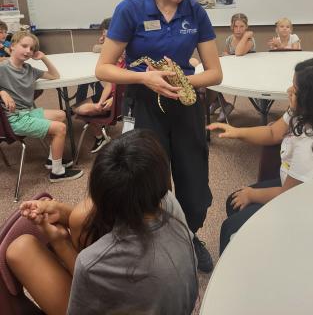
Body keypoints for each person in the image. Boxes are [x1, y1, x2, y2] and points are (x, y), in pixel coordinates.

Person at [95, 0, 222, 272]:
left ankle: (190, 235)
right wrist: (145, 78)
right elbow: (103, 68)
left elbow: (215, 73)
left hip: (185, 102)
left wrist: (178, 81)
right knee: (147, 180)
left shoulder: (196, 12)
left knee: (193, 181)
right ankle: (152, 243)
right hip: (145, 103)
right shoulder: (131, 8)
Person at [6, 129, 198, 315]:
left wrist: (61, 242)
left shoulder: (92, 263)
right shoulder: (169, 201)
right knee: (79, 216)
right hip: (176, 302)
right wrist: (64, 213)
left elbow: (82, 305)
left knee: (20, 249)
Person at [208, 55, 313, 254]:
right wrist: (237, 131)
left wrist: (252, 194)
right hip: (293, 184)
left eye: (295, 91)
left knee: (230, 227)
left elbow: (289, 195)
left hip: (305, 206)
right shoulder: (307, 112)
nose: (289, 91)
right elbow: (273, 132)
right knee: (234, 202)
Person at [0, 31, 83, 182]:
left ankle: (52, 160)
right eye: (24, 46)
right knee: (60, 128)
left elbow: (54, 76)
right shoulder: (3, 68)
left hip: (26, 112)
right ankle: (57, 173)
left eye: (31, 49)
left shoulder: (29, 70)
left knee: (61, 115)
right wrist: (2, 92)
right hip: (13, 119)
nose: (28, 51)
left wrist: (43, 58)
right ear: (12, 46)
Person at [210, 13, 256, 122]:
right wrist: (227, 55)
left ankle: (222, 104)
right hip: (233, 69)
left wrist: (245, 36)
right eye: (236, 26)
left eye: (242, 27)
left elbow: (239, 53)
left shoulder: (249, 40)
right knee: (213, 75)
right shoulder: (229, 39)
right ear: (231, 27)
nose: (238, 29)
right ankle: (220, 102)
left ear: (246, 27)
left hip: (246, 72)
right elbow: (229, 54)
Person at [74, 17, 112, 105]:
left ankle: (78, 105)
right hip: (108, 78)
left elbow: (96, 48)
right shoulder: (109, 41)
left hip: (110, 81)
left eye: (104, 31)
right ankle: (78, 105)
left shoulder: (117, 44)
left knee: (86, 79)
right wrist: (103, 42)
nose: (102, 34)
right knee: (85, 79)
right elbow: (97, 49)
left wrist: (104, 44)